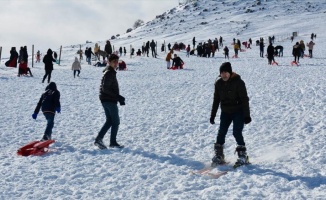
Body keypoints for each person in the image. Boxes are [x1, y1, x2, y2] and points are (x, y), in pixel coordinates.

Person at [210, 62, 251, 167]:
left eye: (226, 72)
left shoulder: (239, 82)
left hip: (238, 111)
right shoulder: (218, 84)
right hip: (226, 111)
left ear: (230, 72)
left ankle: (243, 155)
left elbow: (244, 99)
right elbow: (216, 100)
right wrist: (213, 115)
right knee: (221, 132)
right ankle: (219, 155)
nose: (224, 75)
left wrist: (247, 115)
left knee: (236, 132)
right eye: (222, 73)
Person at [94, 54, 125, 149]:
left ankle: (99, 139)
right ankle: (112, 142)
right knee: (115, 121)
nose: (116, 64)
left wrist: (117, 98)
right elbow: (105, 88)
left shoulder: (110, 72)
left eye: (117, 61)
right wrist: (117, 97)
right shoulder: (109, 73)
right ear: (109, 62)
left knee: (110, 121)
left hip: (106, 99)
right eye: (114, 62)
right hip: (108, 99)